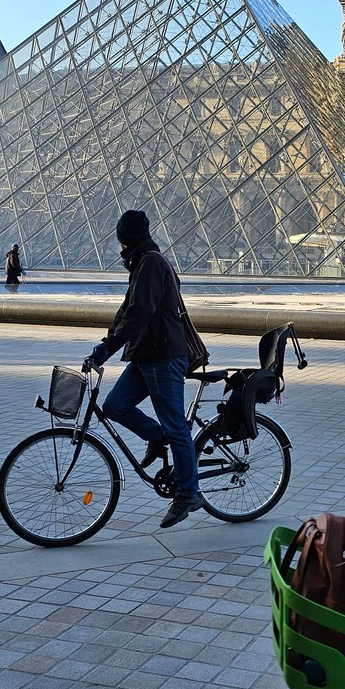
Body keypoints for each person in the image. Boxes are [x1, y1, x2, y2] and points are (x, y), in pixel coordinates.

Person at [85, 210, 202, 529]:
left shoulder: (149, 262)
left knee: (176, 426)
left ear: (125, 236)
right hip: (145, 354)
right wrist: (106, 343)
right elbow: (127, 310)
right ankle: (158, 436)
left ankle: (188, 493)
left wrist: (109, 348)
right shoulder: (142, 260)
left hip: (163, 356)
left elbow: (139, 312)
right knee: (114, 406)